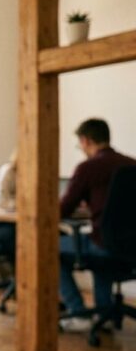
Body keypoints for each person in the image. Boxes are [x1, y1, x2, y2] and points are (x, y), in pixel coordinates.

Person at [58, 118, 136, 331]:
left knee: (48, 247)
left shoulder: (88, 167)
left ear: (85, 140)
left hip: (103, 242)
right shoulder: (131, 164)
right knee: (103, 249)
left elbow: (61, 210)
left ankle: (78, 313)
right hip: (130, 245)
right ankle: (105, 312)